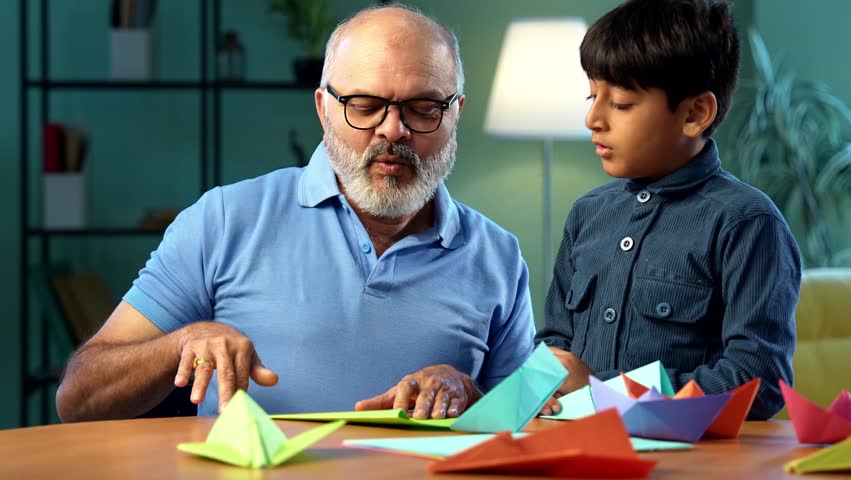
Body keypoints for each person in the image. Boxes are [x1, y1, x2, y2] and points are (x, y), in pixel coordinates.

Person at [56, 4, 536, 422]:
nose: (394, 130)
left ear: (456, 112)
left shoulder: (499, 256)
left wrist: (470, 395)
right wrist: (181, 343)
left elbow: (528, 425)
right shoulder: (224, 221)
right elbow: (78, 398)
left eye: (424, 107)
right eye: (365, 106)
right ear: (323, 108)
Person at [536, 0, 800, 420]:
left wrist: (608, 394)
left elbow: (758, 381)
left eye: (620, 104)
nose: (592, 118)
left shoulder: (746, 223)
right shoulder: (587, 214)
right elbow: (553, 345)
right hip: (572, 444)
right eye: (591, 96)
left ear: (695, 113)